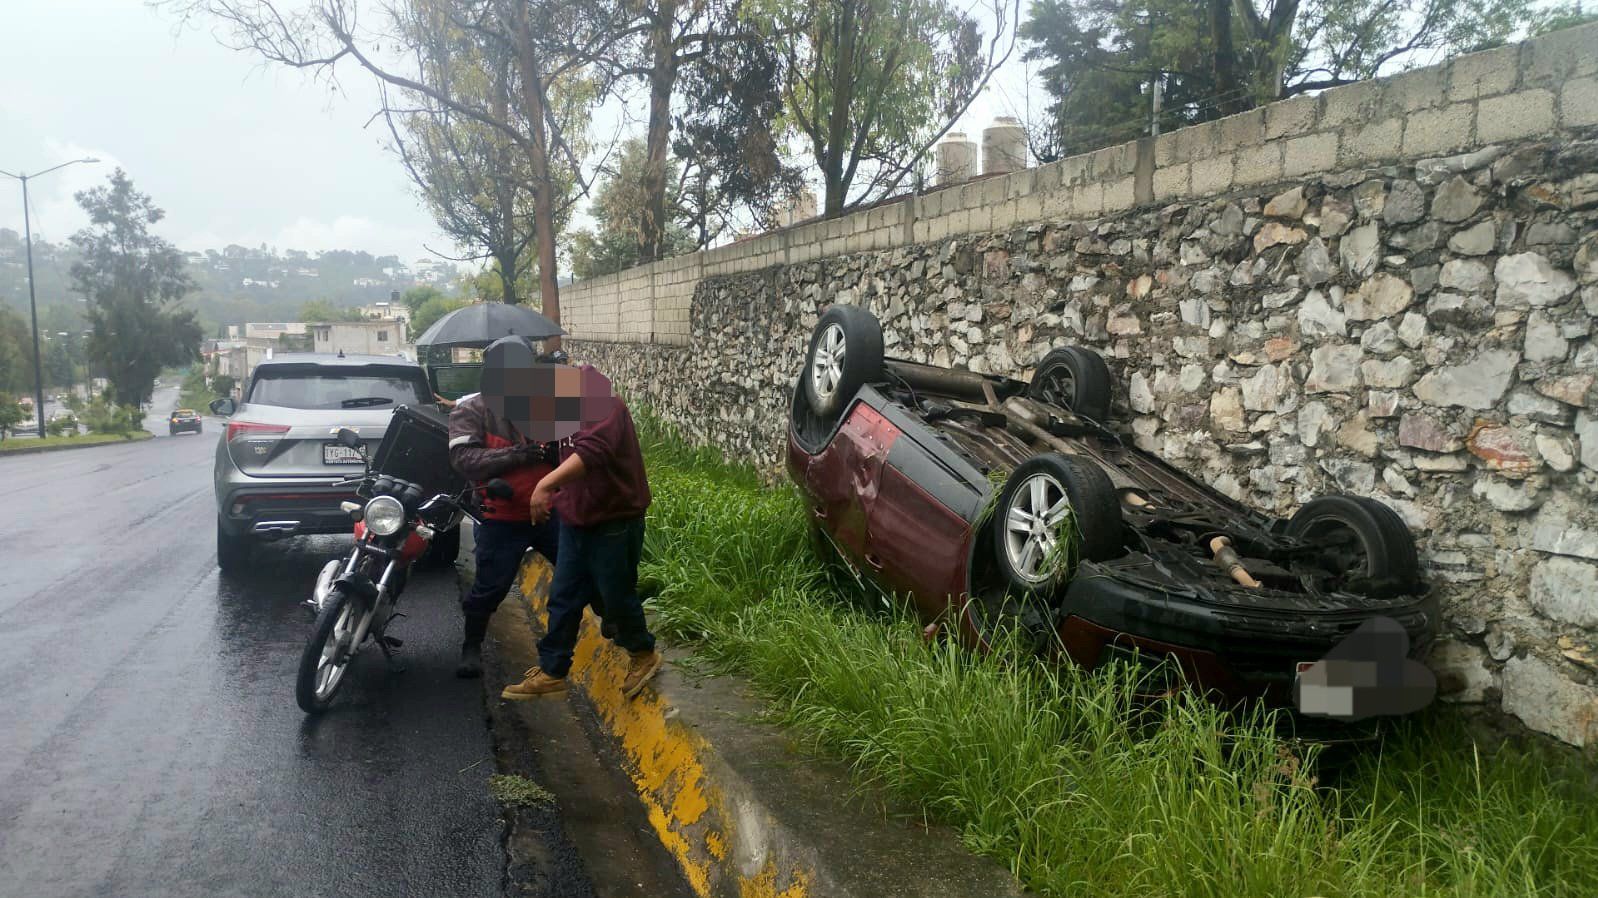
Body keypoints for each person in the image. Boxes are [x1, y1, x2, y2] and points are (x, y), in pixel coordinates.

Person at [500, 363, 662, 701]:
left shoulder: (603, 404)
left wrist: (546, 484)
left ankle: (643, 653)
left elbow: (591, 452)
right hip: (577, 517)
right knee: (563, 597)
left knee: (616, 597)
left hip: (614, 518)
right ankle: (552, 670)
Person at [446, 337, 561, 679]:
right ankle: (471, 646)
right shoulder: (471, 409)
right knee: (490, 587)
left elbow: (578, 449)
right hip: (501, 516)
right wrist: (517, 455)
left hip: (551, 511)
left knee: (579, 573)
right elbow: (463, 460)